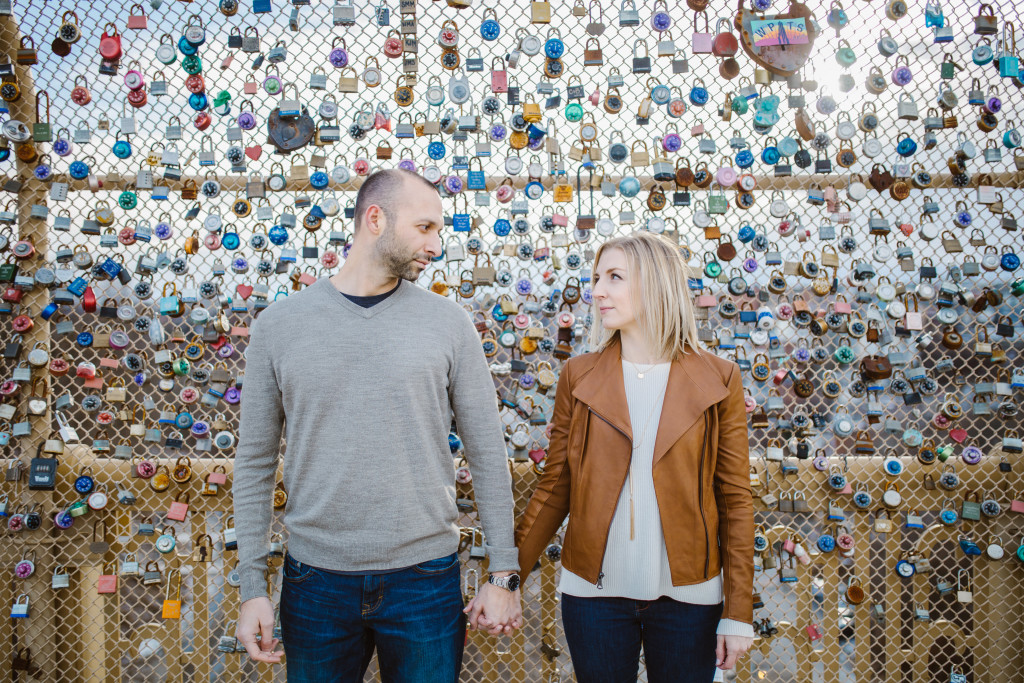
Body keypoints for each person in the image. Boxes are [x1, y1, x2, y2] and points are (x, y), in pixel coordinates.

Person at [233, 169, 523, 682]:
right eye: (425, 228)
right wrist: (253, 586)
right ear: (375, 219)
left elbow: (486, 453)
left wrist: (503, 574)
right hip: (315, 581)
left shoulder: (449, 324)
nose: (436, 245)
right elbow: (254, 462)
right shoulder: (278, 325)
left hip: (426, 580)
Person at [515, 231, 755, 683]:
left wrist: (738, 610)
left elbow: (735, 499)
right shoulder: (577, 374)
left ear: (656, 284)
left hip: (690, 596)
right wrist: (507, 578)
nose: (597, 290)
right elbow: (555, 488)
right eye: (596, 277)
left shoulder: (720, 378)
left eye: (614, 277)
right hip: (593, 596)